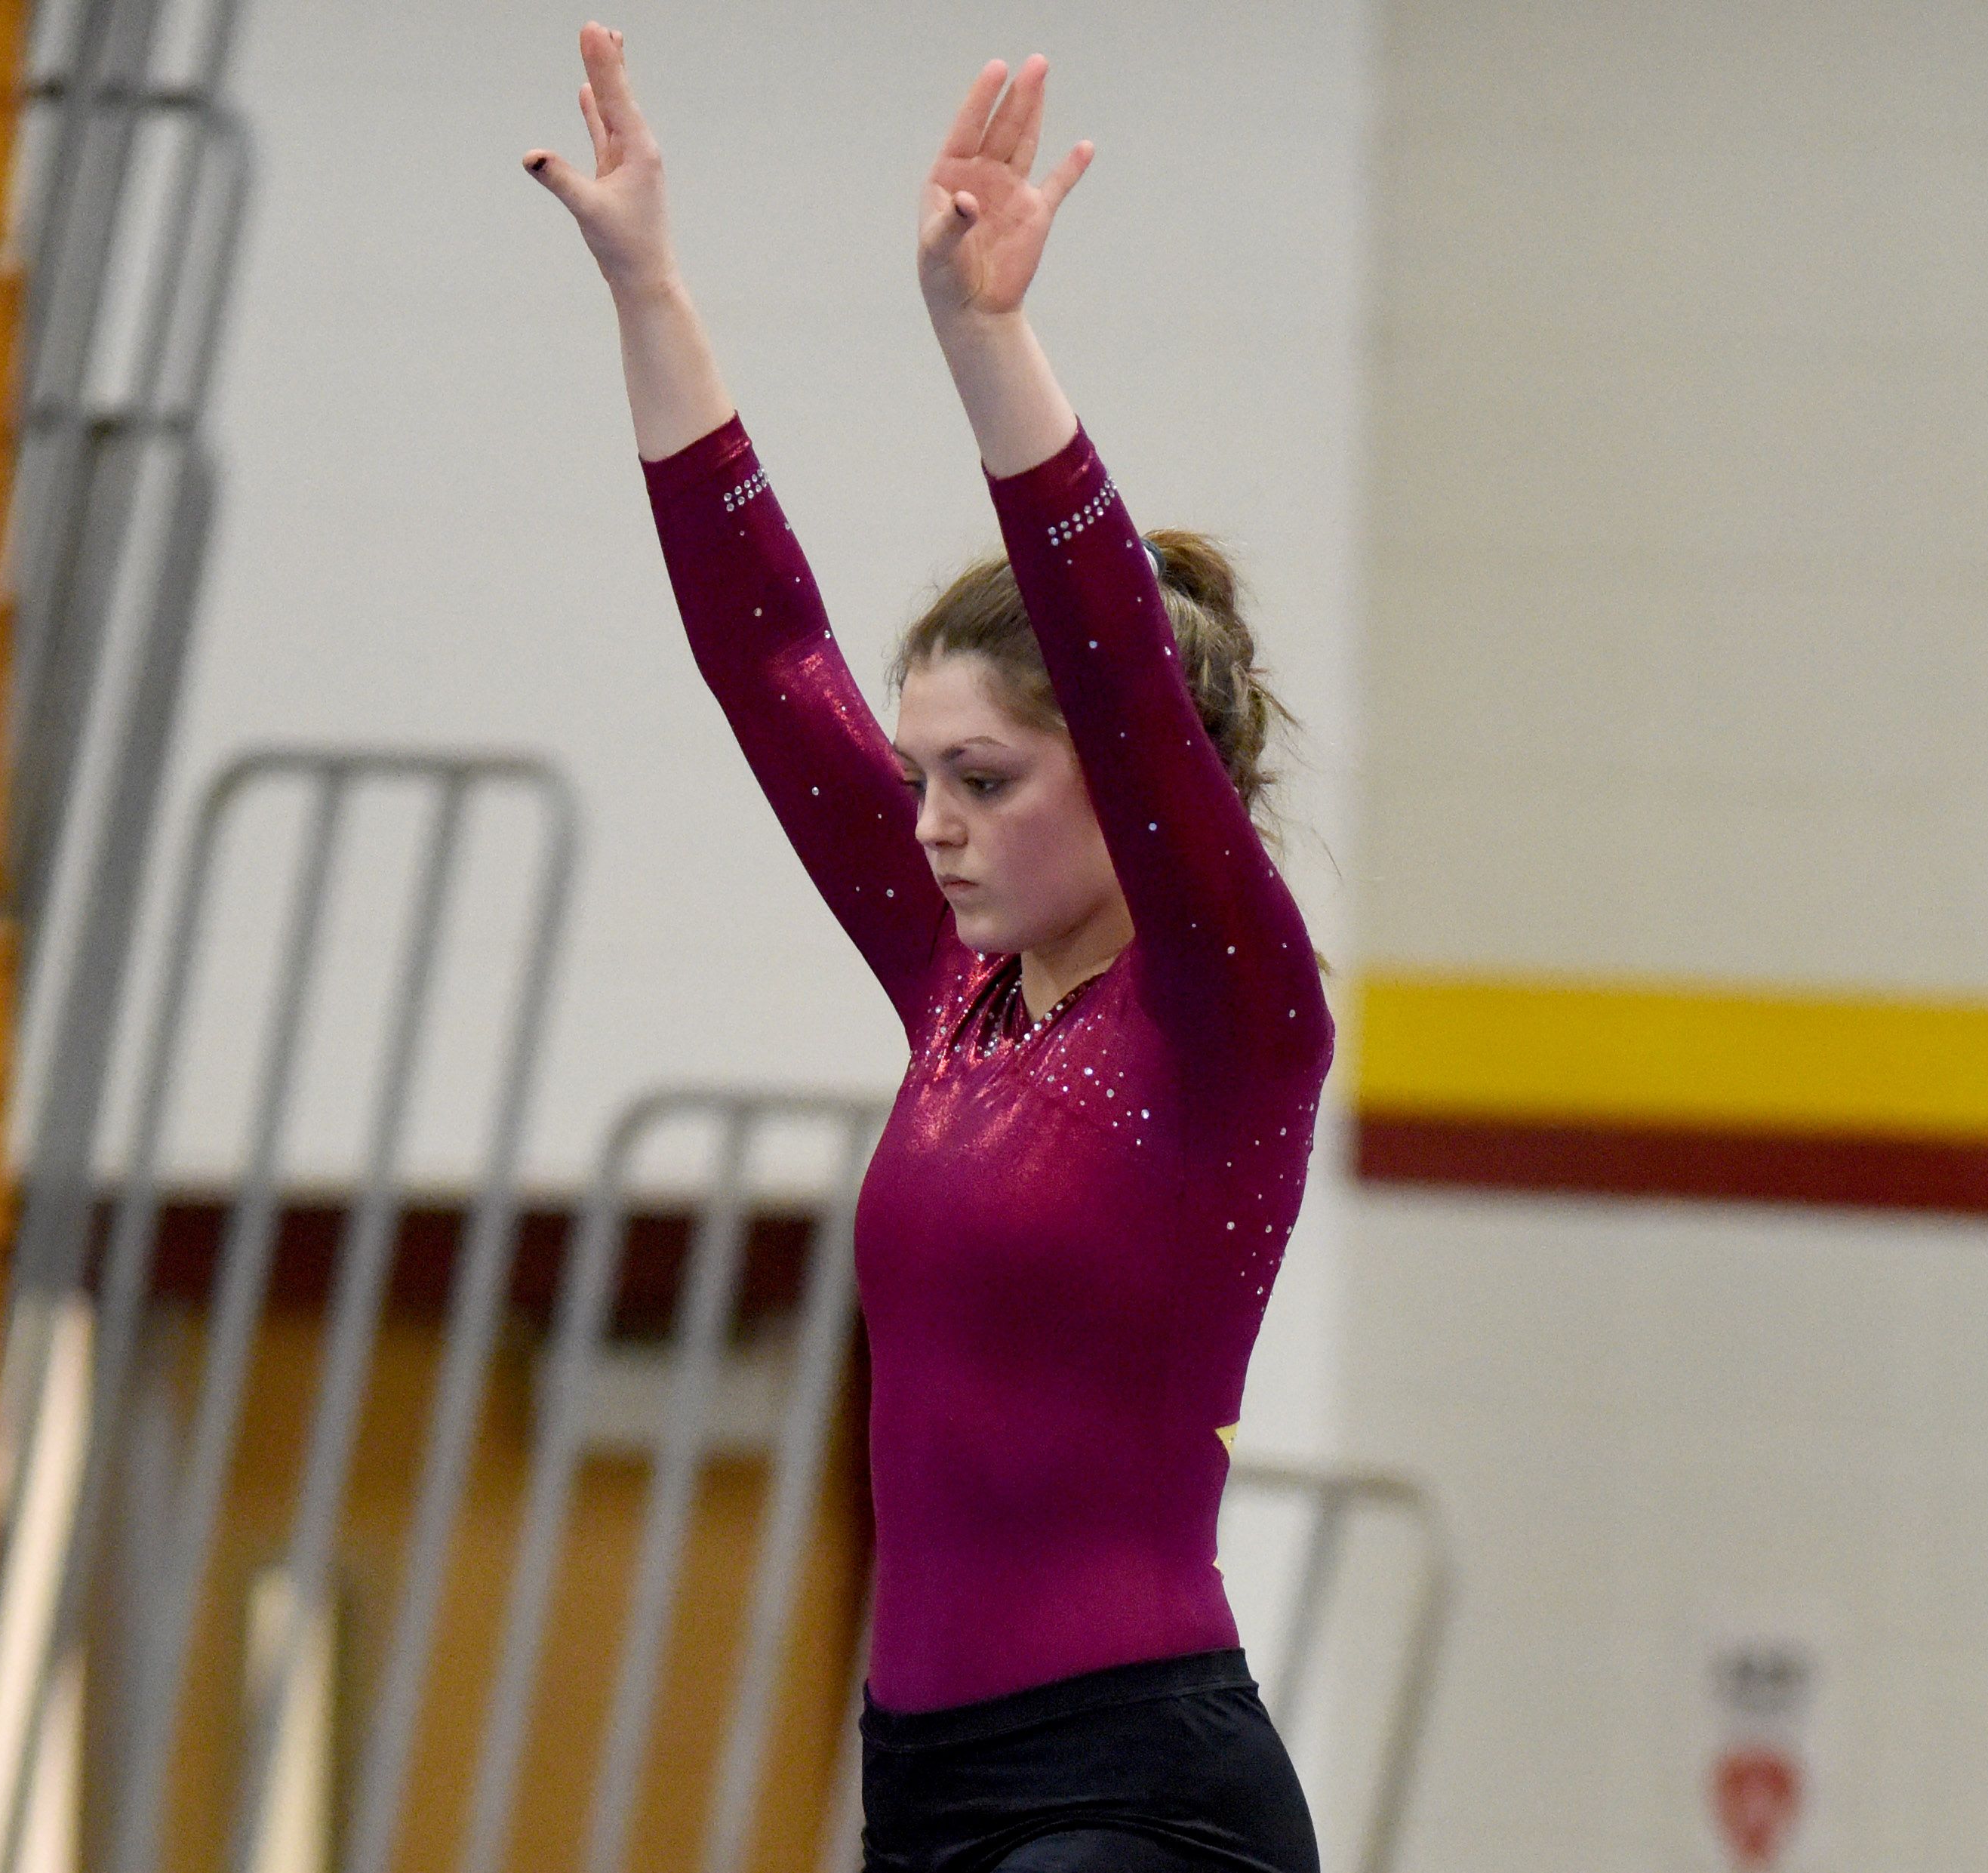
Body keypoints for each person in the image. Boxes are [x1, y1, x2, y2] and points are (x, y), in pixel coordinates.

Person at [525, 24, 1333, 1871]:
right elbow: (763, 646)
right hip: (927, 1787)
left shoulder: (1228, 1011)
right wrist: (651, 289)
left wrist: (986, 340)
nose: (930, 825)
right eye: (917, 776)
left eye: (982, 775)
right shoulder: (960, 996)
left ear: (1135, 788)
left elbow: (1118, 665)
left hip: (1138, 1793)